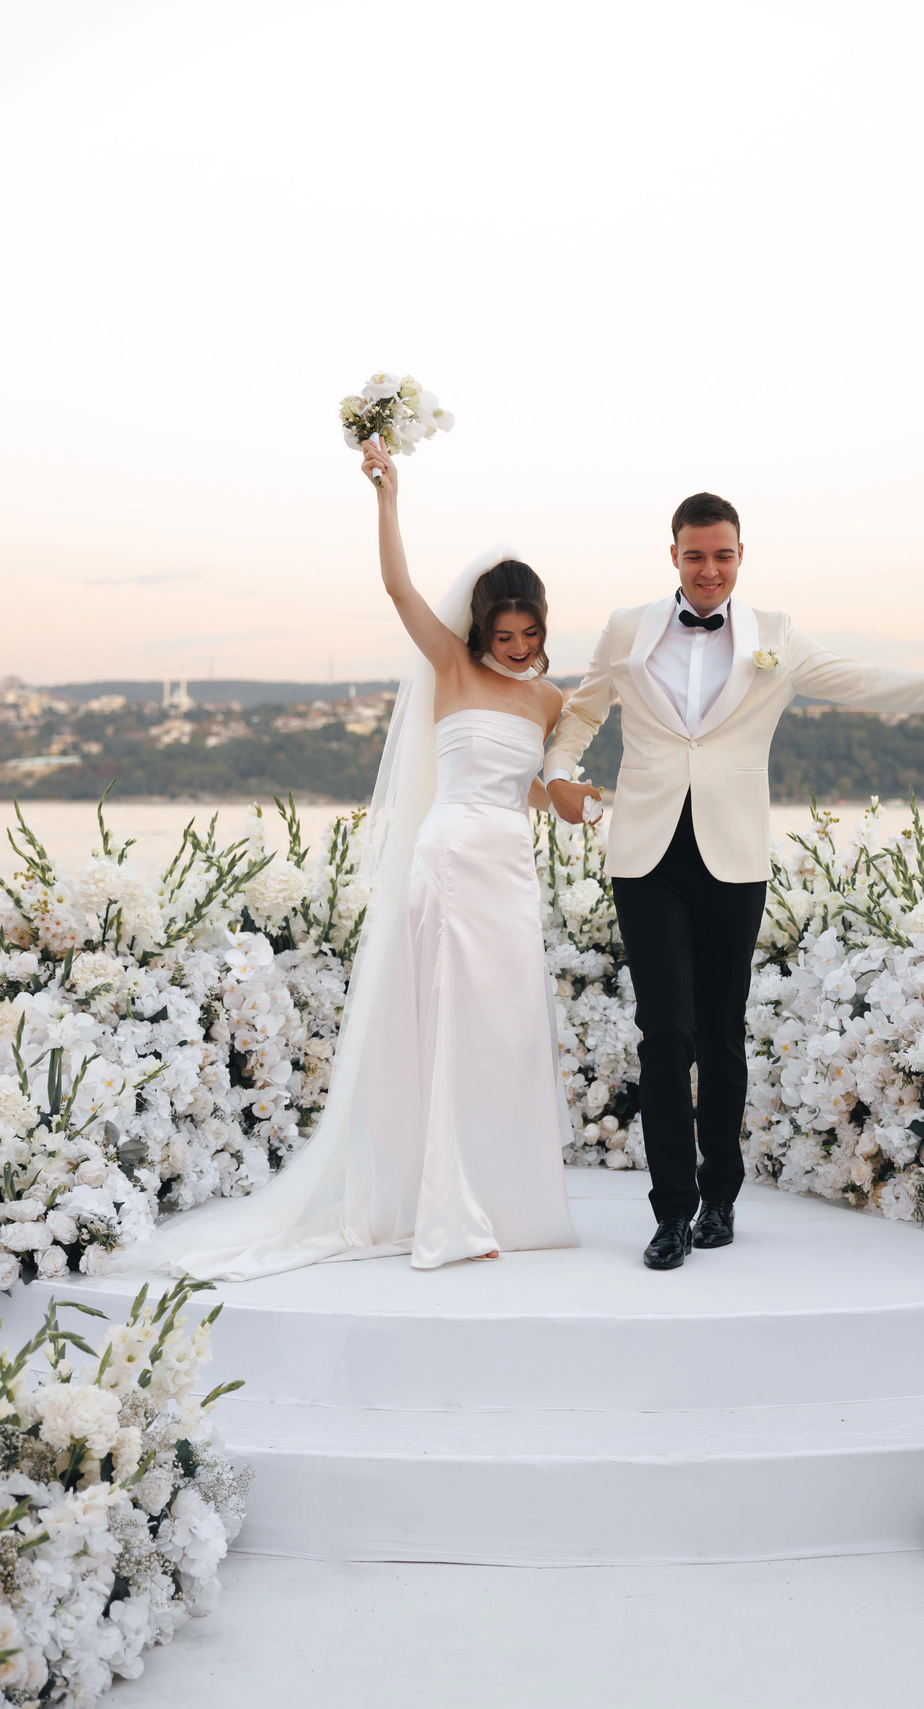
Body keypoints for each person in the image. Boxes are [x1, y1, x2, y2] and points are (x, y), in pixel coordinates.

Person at [109, 436, 587, 1280]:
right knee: (448, 1027)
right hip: (450, 861)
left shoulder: (551, 699)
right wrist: (386, 495)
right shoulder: (451, 664)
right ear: (481, 628)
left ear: (545, 629)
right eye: (504, 633)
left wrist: (576, 800)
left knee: (507, 1031)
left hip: (511, 871)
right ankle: (444, 1206)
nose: (517, 646)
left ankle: (511, 1203)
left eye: (530, 633)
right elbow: (399, 588)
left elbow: (540, 789)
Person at [545, 491, 924, 1271]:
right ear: (673, 556)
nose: (709, 570)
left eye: (722, 555)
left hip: (732, 858)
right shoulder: (627, 628)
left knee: (720, 1032)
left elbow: (865, 681)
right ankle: (670, 1214)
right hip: (645, 855)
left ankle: (720, 1196)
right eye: (695, 555)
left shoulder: (777, 636)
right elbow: (580, 713)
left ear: (741, 556)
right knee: (665, 1033)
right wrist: (559, 772)